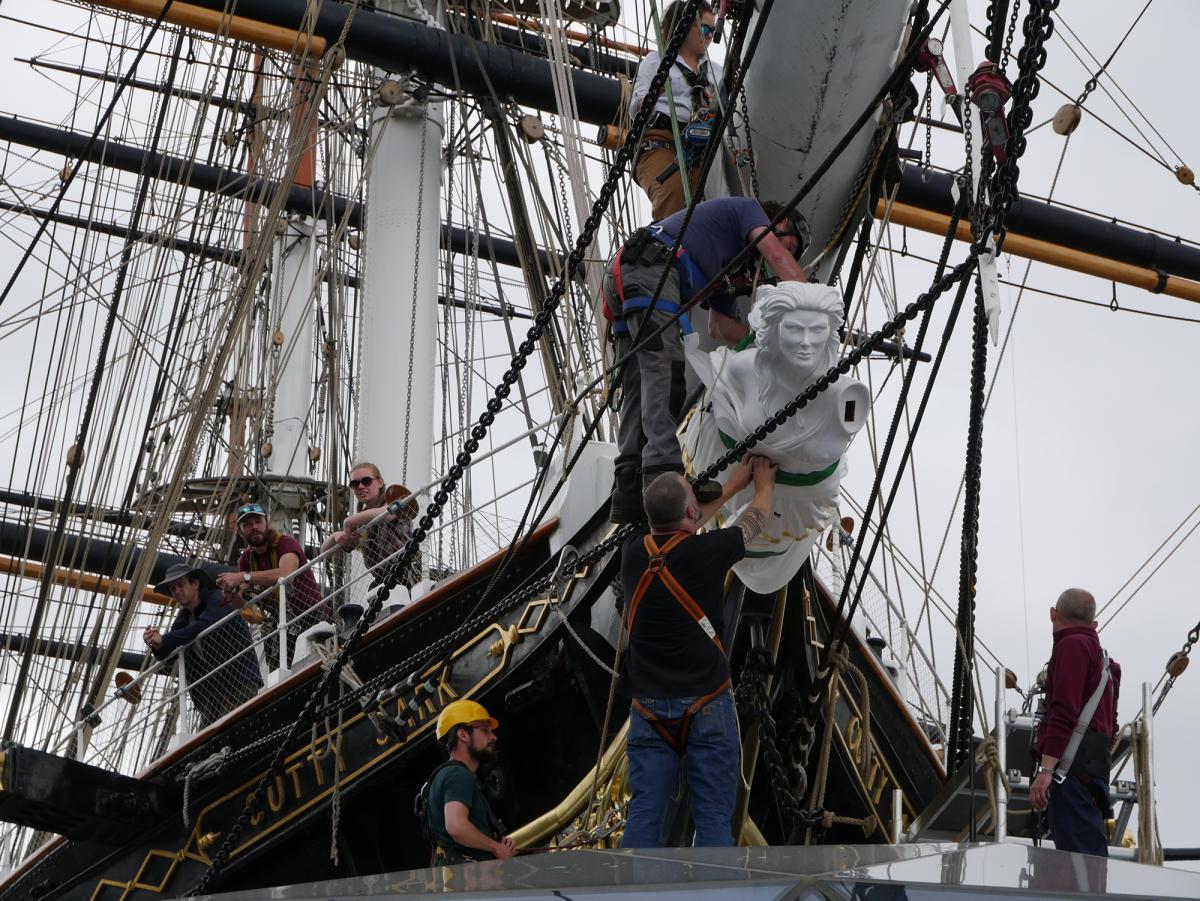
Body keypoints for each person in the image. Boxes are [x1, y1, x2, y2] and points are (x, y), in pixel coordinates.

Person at [601, 196, 808, 523]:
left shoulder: (727, 267)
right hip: (653, 267)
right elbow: (777, 254)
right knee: (665, 372)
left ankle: (628, 487)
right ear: (776, 221)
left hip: (631, 273)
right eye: (792, 239)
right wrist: (812, 301)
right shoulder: (748, 209)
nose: (790, 250)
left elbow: (720, 327)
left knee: (639, 382)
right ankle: (664, 474)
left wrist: (766, 341)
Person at [618, 455, 777, 848]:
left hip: (649, 711)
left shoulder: (632, 554)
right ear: (691, 509)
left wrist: (731, 486)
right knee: (712, 823)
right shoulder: (707, 553)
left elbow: (679, 528)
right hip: (706, 704)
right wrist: (763, 485)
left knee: (643, 820)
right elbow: (753, 521)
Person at [681, 281, 871, 594]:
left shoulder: (844, 397)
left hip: (789, 506)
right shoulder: (741, 370)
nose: (807, 343)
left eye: (817, 331)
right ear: (774, 329)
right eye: (795, 329)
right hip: (740, 487)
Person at [1029, 588, 1122, 857]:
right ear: (1094, 624)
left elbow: (1064, 713)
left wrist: (1046, 771)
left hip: (1070, 774)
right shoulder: (1106, 664)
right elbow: (1111, 725)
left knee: (1077, 863)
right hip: (1093, 772)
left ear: (1053, 614)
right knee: (1088, 858)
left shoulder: (1072, 646)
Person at [630, 1, 722, 220]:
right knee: (674, 191)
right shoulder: (656, 61)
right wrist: (653, 94)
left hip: (705, 145)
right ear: (683, 25)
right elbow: (635, 107)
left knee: (714, 206)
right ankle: (669, 249)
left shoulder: (717, 72)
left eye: (713, 31)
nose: (710, 36)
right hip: (661, 142)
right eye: (705, 29)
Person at [144, 562, 262, 728]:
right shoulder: (183, 618)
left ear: (195, 584)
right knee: (205, 747)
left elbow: (203, 625)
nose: (176, 591)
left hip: (238, 683)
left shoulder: (218, 599)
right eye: (172, 589)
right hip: (211, 696)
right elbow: (170, 656)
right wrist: (157, 645)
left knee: (230, 733)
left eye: (180, 585)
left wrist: (165, 640)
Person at [216, 503, 325, 663]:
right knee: (283, 676)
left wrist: (244, 576)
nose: (254, 527)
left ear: (267, 523)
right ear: (239, 532)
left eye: (258, 521)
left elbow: (286, 574)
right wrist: (230, 592)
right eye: (247, 524)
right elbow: (243, 603)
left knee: (316, 665)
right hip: (281, 626)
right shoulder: (247, 559)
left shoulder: (285, 543)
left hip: (311, 615)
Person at [421, 699, 514, 865]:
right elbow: (456, 827)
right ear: (463, 734)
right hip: (473, 881)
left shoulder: (445, 776)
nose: (493, 737)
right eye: (485, 730)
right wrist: (496, 848)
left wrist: (494, 840)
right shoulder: (458, 775)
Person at [319, 461, 421, 590]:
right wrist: (336, 536)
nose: (360, 486)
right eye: (354, 484)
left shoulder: (396, 498)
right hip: (384, 581)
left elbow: (387, 514)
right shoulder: (360, 521)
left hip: (408, 571)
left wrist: (348, 521)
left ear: (380, 482)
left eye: (366, 481)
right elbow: (324, 552)